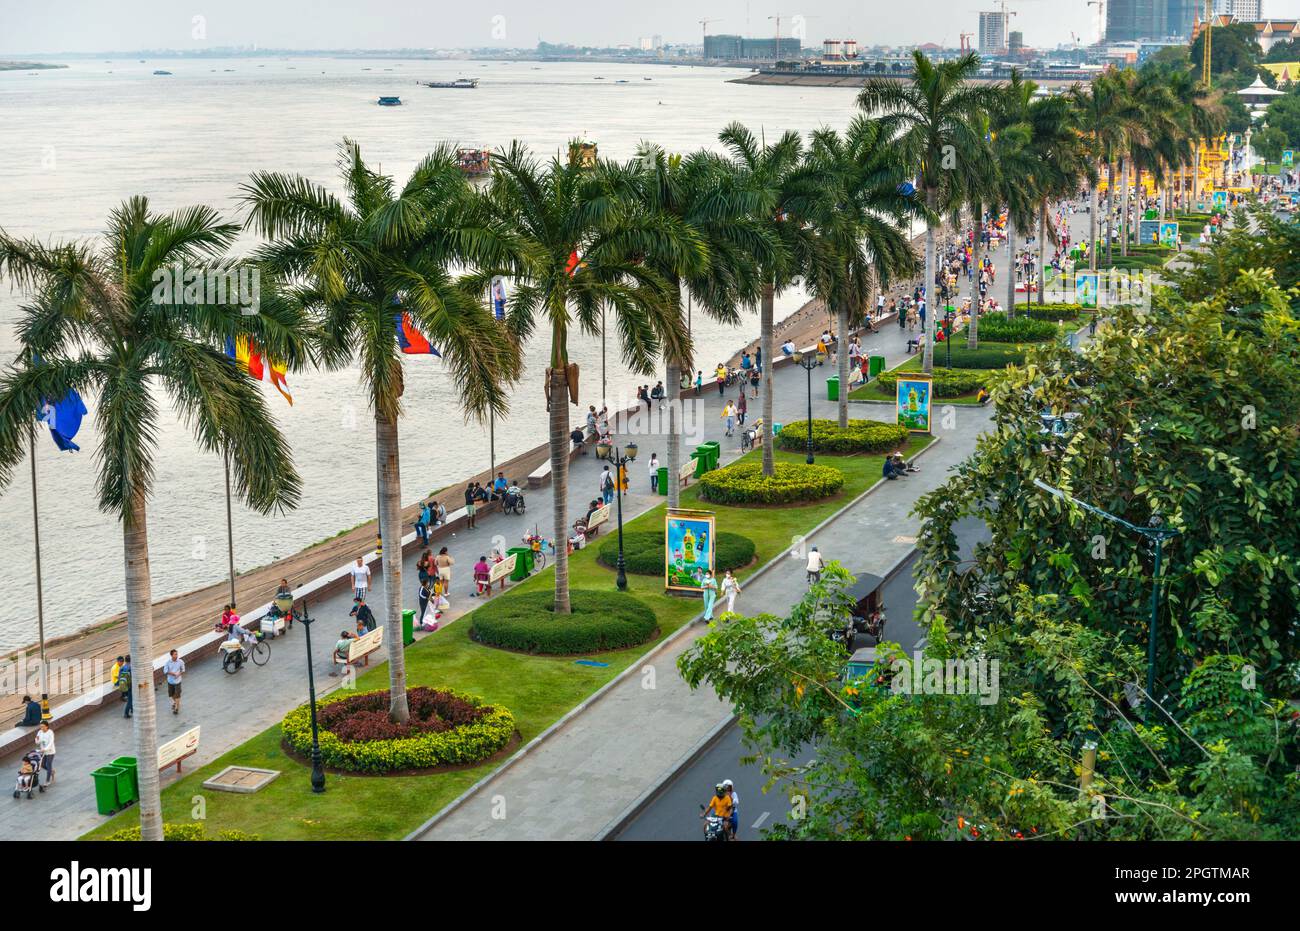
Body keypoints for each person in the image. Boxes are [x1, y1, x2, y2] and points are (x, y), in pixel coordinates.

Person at [163, 649, 185, 715]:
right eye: (175, 654)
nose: (176, 655)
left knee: (177, 695)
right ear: (171, 655)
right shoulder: (168, 663)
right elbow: (165, 671)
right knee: (171, 694)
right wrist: (172, 673)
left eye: (177, 654)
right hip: (170, 681)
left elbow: (183, 669)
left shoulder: (180, 661)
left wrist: (179, 674)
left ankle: (176, 708)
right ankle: (176, 702)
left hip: (178, 681)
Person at [35, 722, 55, 787]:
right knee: (42, 764)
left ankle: (47, 781)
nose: (42, 728)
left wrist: (45, 749)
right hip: (43, 752)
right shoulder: (40, 732)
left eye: (43, 726)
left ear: (47, 726)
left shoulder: (50, 732)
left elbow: (51, 742)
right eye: (41, 727)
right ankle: (51, 771)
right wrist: (37, 740)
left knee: (48, 765)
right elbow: (37, 742)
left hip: (50, 751)